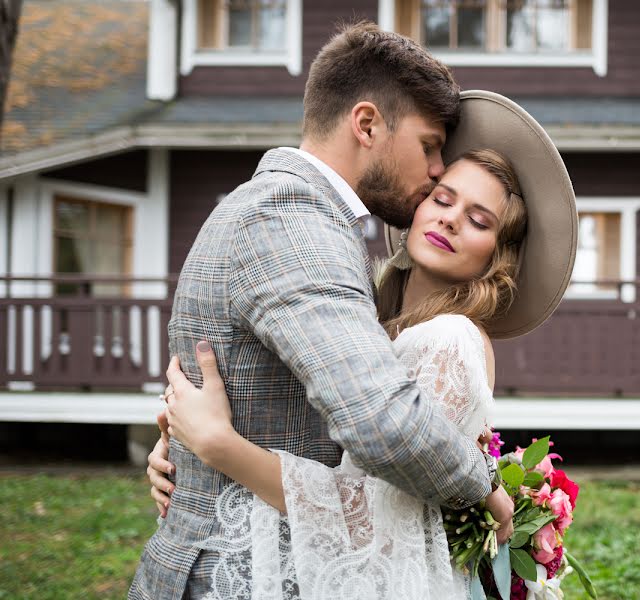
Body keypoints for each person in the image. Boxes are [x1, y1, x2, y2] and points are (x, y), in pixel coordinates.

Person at [129, 23, 518, 600]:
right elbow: (381, 420)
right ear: (366, 125)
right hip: (232, 574)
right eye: (429, 145)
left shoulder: (299, 217)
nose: (437, 169)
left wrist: (199, 445)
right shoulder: (294, 220)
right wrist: (483, 484)